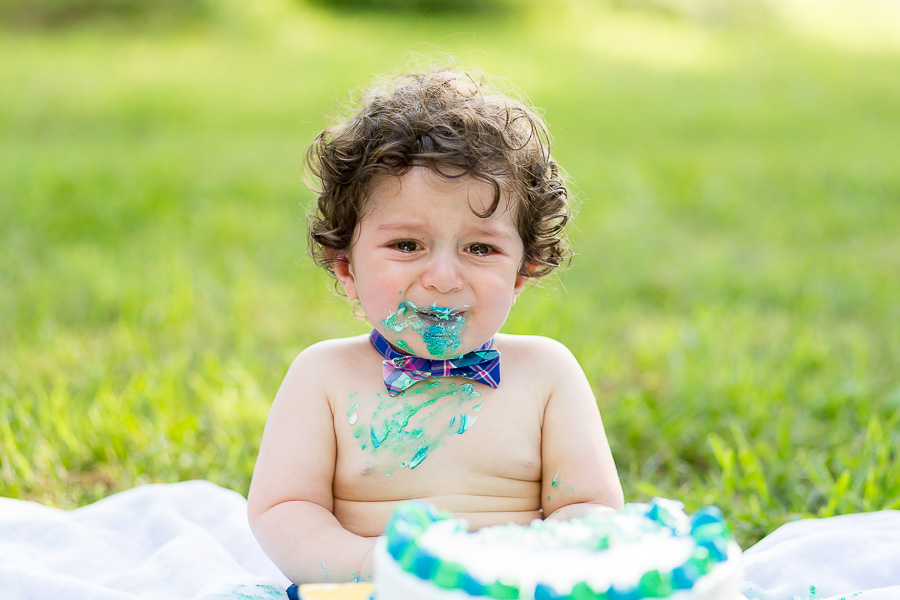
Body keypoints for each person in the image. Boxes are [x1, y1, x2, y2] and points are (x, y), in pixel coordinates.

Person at [247, 65, 624, 587]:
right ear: (346, 267)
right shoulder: (323, 378)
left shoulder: (547, 375)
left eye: (480, 248)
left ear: (523, 270)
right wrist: (377, 570)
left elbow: (590, 507)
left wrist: (540, 565)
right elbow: (284, 511)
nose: (444, 278)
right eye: (407, 246)